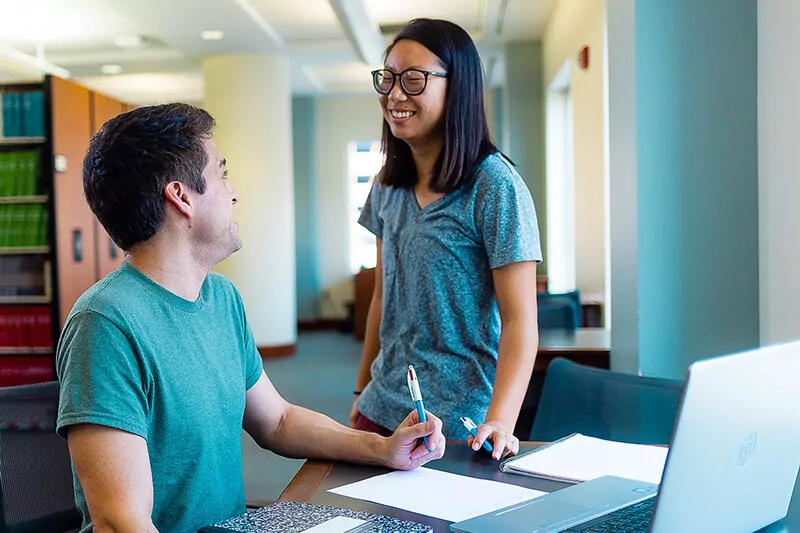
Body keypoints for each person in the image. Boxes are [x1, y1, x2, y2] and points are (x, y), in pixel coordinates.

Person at [56, 103, 446, 533]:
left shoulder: (221, 298)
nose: (234, 191)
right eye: (222, 174)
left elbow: (277, 420)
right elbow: (120, 521)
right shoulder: (105, 324)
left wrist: (382, 447)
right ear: (181, 197)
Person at [350, 18, 542, 461]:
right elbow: (382, 297)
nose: (395, 94)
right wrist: (361, 390)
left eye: (414, 80)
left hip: (461, 425)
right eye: (389, 78)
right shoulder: (386, 186)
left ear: (458, 88)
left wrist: (501, 421)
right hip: (381, 411)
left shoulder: (494, 185)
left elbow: (520, 323)